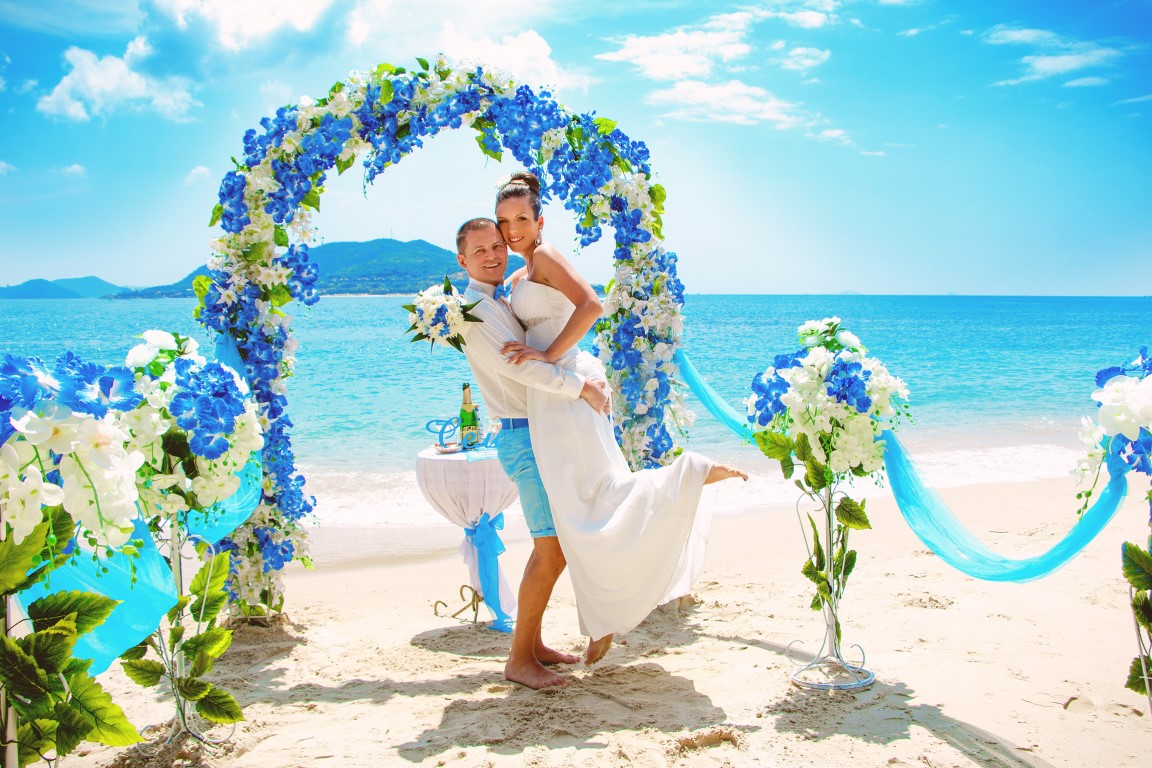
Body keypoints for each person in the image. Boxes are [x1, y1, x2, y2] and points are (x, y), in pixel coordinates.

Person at [495, 171, 747, 666]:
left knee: (592, 499)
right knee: (576, 511)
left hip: (568, 388)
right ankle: (601, 618)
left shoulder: (545, 257)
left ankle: (689, 473)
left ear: (540, 220)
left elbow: (592, 306)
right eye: (504, 221)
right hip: (551, 397)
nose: (512, 229)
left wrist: (549, 359)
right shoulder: (516, 276)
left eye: (522, 218)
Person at [454, 217, 609, 690]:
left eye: (497, 245)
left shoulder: (496, 297)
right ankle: (519, 659)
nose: (492, 254)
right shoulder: (474, 308)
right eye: (479, 250)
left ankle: (535, 645)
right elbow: (520, 368)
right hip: (524, 434)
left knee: (556, 542)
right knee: (551, 546)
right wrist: (581, 387)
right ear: (462, 260)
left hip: (541, 429)